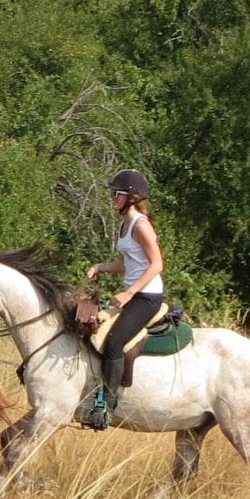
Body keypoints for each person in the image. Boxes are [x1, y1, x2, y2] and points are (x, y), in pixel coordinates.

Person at [79, 168, 166, 430]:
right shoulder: (124, 224)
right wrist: (100, 267)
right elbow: (130, 264)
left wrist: (129, 292)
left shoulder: (141, 224)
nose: (112, 197)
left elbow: (156, 264)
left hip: (147, 297)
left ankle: (106, 403)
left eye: (116, 193)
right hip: (134, 294)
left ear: (131, 197)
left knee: (115, 340)